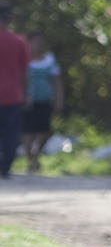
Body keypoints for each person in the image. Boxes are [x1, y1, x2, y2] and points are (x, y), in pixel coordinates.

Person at [23, 34, 60, 171]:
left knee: (45, 131)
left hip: (45, 100)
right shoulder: (24, 60)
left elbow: (57, 81)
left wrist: (59, 99)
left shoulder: (50, 60)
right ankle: (31, 161)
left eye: (40, 42)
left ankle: (35, 154)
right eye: (35, 42)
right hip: (28, 101)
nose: (38, 45)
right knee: (28, 132)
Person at [0, 4, 27, 179]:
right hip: (12, 95)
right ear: (10, 19)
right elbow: (24, 71)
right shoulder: (19, 41)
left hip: (11, 95)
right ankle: (5, 168)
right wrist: (26, 93)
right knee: (10, 134)